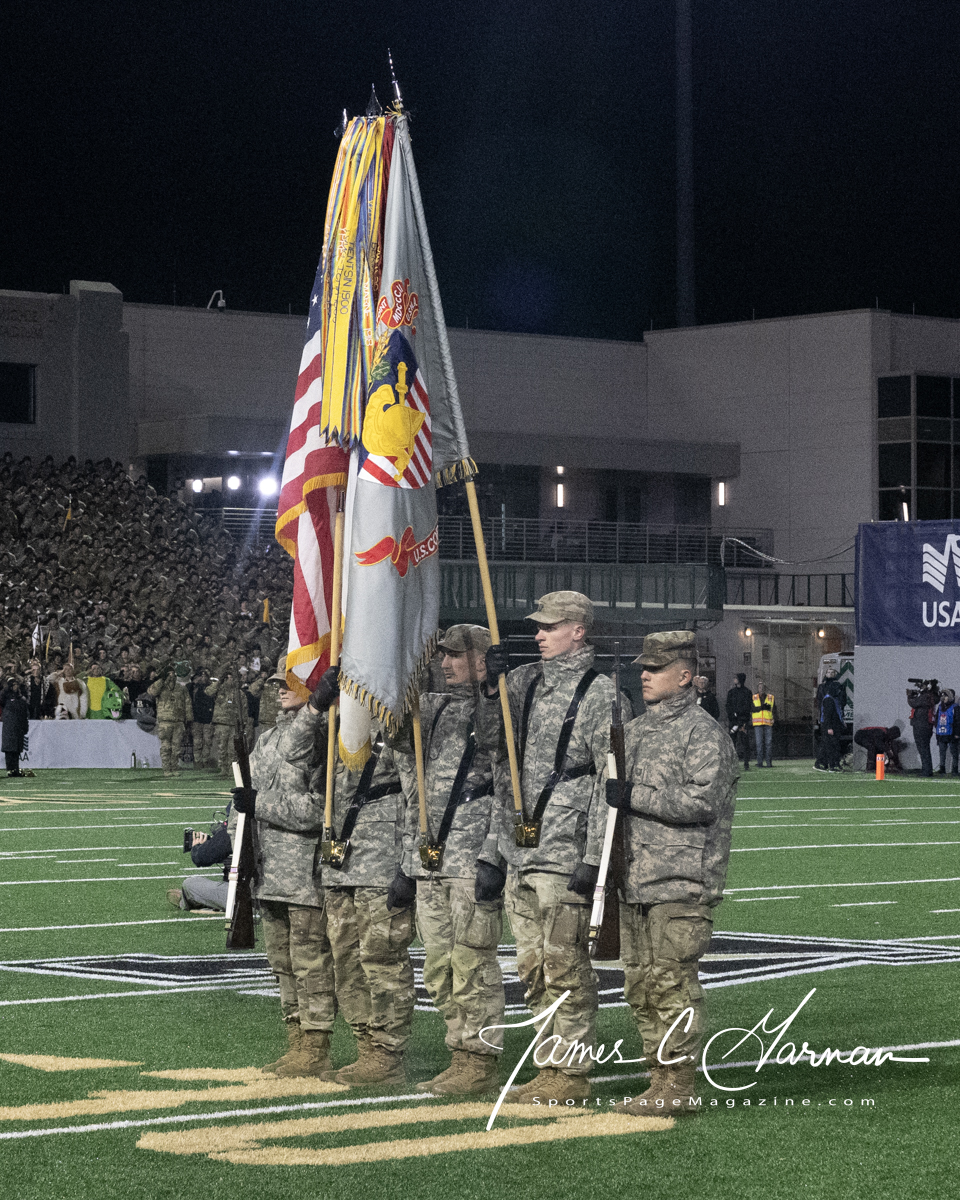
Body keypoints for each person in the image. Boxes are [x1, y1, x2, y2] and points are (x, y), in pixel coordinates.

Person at [484, 591, 617, 1104]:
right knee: (532, 968)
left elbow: (609, 781)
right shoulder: (522, 682)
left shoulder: (601, 693)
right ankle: (548, 1066)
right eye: (538, 627)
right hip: (521, 849)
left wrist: (593, 856)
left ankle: (572, 1071)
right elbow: (491, 745)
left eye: (550, 626)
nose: (538, 634)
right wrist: (490, 689)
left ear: (578, 630)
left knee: (566, 967)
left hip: (564, 851)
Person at [604, 630, 739, 1115]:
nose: (644, 675)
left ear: (684, 676)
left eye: (655, 668)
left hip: (681, 881)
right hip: (635, 879)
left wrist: (633, 796)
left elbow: (702, 802)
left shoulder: (703, 732)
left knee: (672, 984)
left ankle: (678, 1084)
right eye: (643, 667)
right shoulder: (636, 730)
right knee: (639, 986)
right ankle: (657, 1078)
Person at [392, 624, 505, 1096]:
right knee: (438, 968)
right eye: (442, 655)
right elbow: (398, 745)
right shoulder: (432, 707)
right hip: (429, 858)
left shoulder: (498, 711)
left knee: (473, 964)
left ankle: (478, 1058)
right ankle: (458, 1049)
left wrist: (493, 853)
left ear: (480, 660)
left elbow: (507, 784)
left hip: (468, 855)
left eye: (456, 656)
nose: (445, 663)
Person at [231, 656, 334, 1078]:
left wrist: (261, 804)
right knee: (282, 964)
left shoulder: (324, 738)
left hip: (304, 872)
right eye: (277, 682)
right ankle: (296, 1042)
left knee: (310, 963)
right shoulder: (267, 739)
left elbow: (319, 808)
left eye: (290, 681)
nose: (280, 688)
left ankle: (316, 1046)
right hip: (268, 869)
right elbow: (245, 798)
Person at [168, 821, 234, 912]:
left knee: (189, 884)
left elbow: (201, 858)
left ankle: (189, 899)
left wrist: (198, 847)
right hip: (248, 889)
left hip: (242, 896)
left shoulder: (236, 828)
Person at [148, 665, 194, 777]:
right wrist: (162, 679)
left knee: (176, 747)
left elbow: (187, 703)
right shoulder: (161, 686)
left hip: (178, 721)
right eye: (168, 673)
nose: (171, 675)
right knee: (166, 747)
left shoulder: (181, 688)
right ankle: (166, 768)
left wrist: (189, 719)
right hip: (165, 721)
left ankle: (174, 767)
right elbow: (152, 692)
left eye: (172, 673)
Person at [814, 669, 846, 773]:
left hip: (832, 724)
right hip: (829, 725)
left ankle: (823, 763)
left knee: (827, 745)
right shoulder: (829, 699)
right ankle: (831, 765)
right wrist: (829, 727)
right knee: (831, 746)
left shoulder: (834, 699)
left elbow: (839, 710)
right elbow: (827, 714)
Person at [907, 681, 937, 777]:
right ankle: (927, 770)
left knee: (923, 749)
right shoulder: (930, 697)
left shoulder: (926, 697)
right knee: (924, 749)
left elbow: (914, 703)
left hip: (922, 726)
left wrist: (910, 696)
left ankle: (926, 771)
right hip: (924, 726)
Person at [1, 679, 30, 777]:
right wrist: (5, 689)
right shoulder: (6, 697)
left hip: (18, 727)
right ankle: (10, 770)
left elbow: (25, 713)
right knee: (9, 750)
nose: (16, 687)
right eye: (13, 685)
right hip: (9, 727)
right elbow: (1, 698)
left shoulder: (21, 698)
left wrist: (25, 726)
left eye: (17, 684)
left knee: (16, 750)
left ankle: (15, 769)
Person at [725, 673, 752, 770]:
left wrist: (740, 716)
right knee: (732, 742)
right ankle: (732, 764)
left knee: (745, 742)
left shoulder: (747, 692)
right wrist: (732, 716)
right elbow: (728, 706)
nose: (734, 679)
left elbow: (748, 707)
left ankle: (746, 763)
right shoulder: (731, 692)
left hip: (743, 722)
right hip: (733, 721)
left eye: (736, 678)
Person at [751, 679, 775, 768]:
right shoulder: (753, 697)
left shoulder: (770, 697)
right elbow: (752, 708)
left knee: (768, 743)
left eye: (763, 687)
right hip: (758, 724)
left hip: (768, 723)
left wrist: (774, 718)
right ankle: (760, 762)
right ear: (758, 688)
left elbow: (774, 709)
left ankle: (769, 763)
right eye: (760, 687)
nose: (761, 689)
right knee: (759, 744)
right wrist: (762, 707)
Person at [934, 689, 959, 775]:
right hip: (941, 733)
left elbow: (957, 721)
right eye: (942, 696)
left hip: (951, 733)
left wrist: (957, 733)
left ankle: (955, 770)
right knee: (942, 753)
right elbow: (937, 719)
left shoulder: (955, 707)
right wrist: (937, 731)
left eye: (945, 696)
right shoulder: (940, 707)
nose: (943, 698)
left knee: (954, 753)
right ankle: (942, 769)